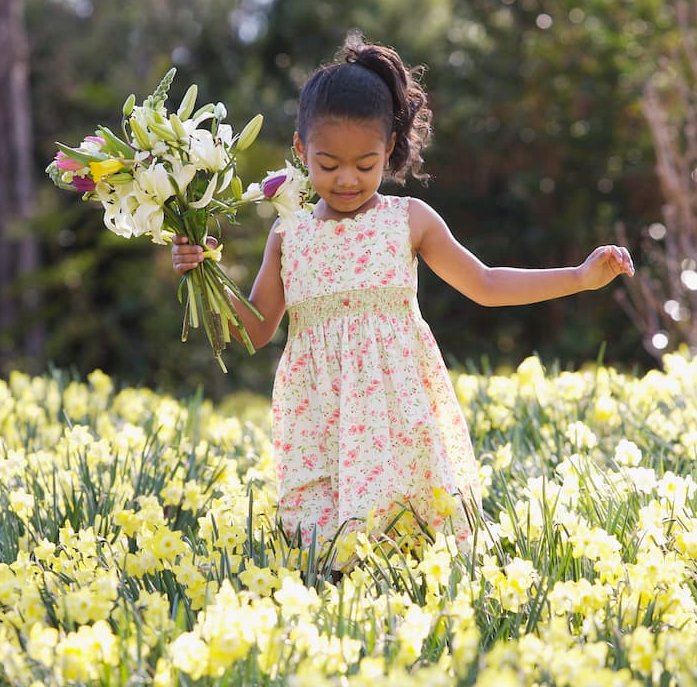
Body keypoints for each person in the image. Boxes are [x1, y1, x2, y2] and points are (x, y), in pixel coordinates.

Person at [171, 34, 634, 560]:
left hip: (397, 415)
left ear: (388, 149)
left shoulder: (407, 219)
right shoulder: (288, 232)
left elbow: (484, 285)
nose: (347, 179)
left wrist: (577, 276)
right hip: (319, 419)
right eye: (328, 164)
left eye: (365, 165)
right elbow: (254, 330)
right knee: (326, 563)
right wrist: (203, 275)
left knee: (409, 552)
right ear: (301, 150)